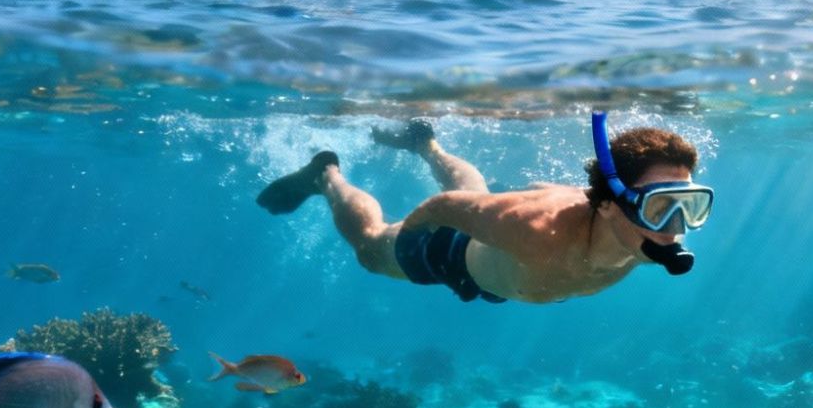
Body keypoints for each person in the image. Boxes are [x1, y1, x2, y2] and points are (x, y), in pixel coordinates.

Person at [255, 113, 711, 304]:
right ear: (611, 206)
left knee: (477, 193)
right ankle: (326, 176)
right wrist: (411, 235)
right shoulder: (533, 230)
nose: (676, 227)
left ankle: (425, 144)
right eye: (661, 207)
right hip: (453, 251)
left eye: (689, 206)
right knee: (372, 250)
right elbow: (445, 205)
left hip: (502, 256)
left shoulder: (652, 239)